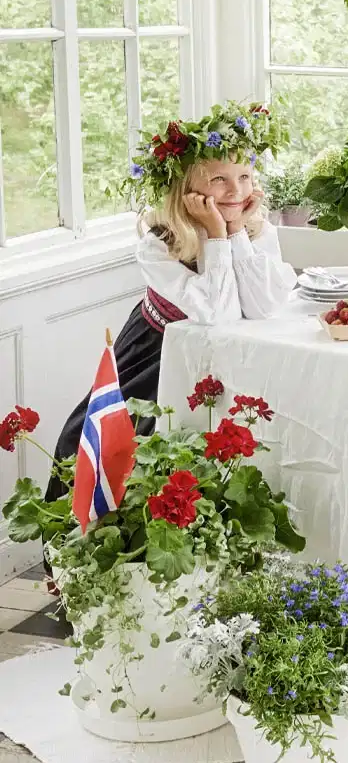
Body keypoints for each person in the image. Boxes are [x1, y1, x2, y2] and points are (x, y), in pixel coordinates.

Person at [44, 101, 297, 509]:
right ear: (187, 189)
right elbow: (217, 314)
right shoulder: (159, 243)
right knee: (101, 447)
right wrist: (217, 235)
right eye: (219, 179)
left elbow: (263, 305)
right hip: (155, 353)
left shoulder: (255, 229)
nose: (236, 191)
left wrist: (236, 232)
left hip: (230, 357)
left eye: (244, 177)